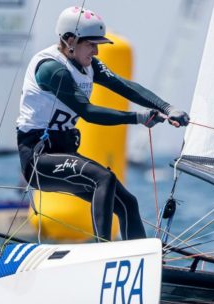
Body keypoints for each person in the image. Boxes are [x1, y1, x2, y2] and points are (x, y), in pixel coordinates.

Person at [16, 6, 190, 242]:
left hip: (65, 152)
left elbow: (125, 86)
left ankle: (137, 257)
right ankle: (104, 251)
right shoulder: (51, 69)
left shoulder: (88, 65)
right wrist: (137, 118)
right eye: (91, 44)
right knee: (103, 178)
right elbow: (88, 113)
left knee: (128, 202)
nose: (96, 51)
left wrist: (167, 108)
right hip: (39, 159)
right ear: (70, 40)